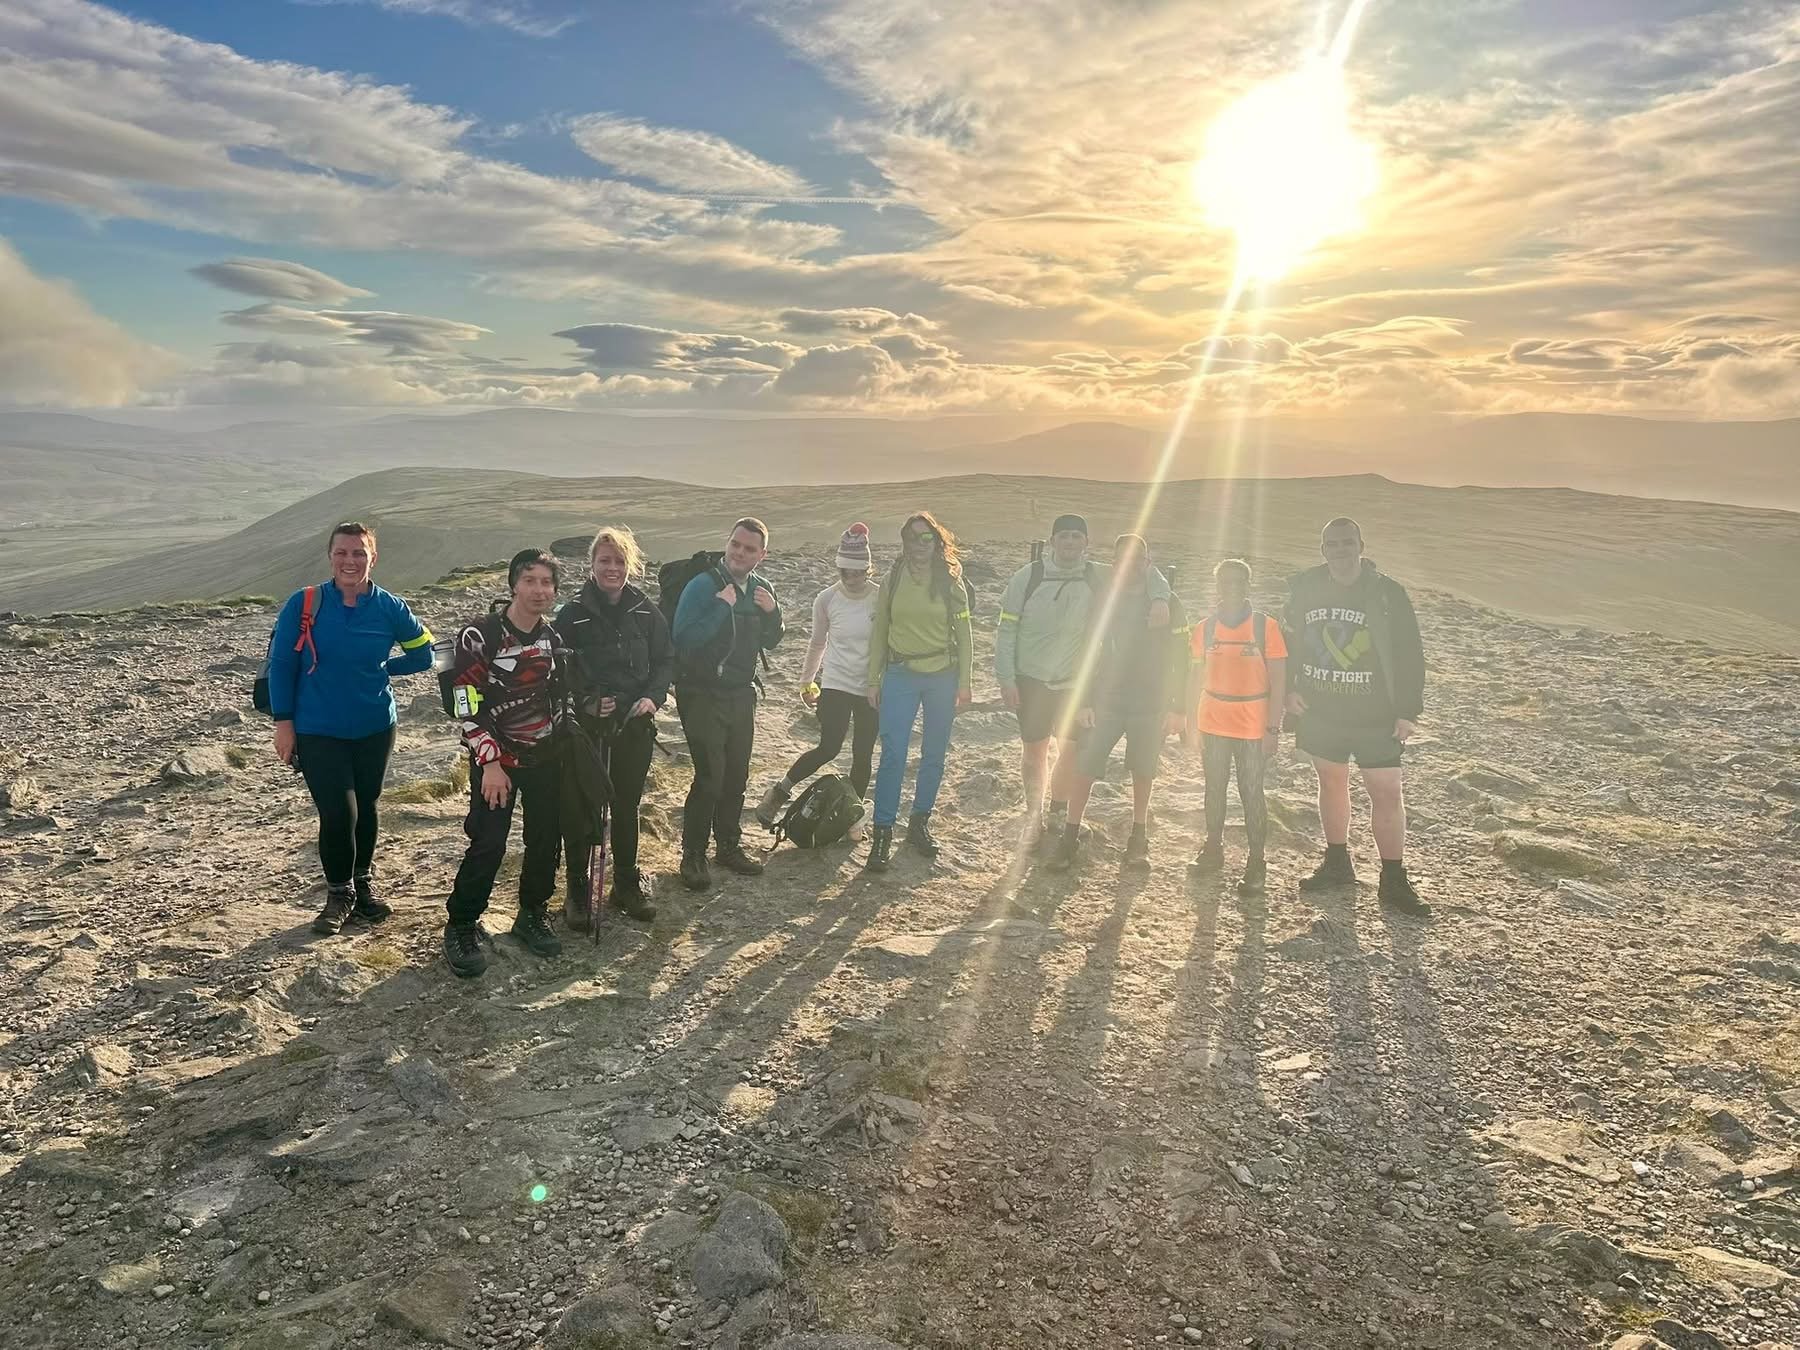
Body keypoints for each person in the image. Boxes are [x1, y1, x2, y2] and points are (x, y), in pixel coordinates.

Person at [267, 521, 433, 936]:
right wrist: (283, 723)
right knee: (339, 811)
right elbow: (282, 665)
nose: (350, 560)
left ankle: (362, 886)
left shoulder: (390, 607)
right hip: (317, 727)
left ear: (373, 558)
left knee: (367, 806)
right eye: (341, 552)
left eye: (359, 553)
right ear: (330, 557)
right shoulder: (305, 603)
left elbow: (424, 653)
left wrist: (385, 669)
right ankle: (339, 895)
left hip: (375, 726)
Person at [994, 513, 1170, 851]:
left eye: (1077, 536)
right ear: (1052, 541)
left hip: (1074, 683)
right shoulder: (1027, 577)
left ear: (1086, 543)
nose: (1070, 542)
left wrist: (1160, 598)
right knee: (1035, 751)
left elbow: (1143, 568)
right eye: (1064, 536)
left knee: (1072, 750)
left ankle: (1058, 813)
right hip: (1031, 679)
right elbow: (1006, 628)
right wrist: (1006, 677)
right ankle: (1033, 817)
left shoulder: (1096, 574)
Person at [1283, 517, 1429, 915]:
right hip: (1321, 711)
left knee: (1387, 791)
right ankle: (1337, 863)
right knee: (1331, 783)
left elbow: (1409, 652)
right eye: (1332, 544)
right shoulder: (1305, 588)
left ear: (1361, 546)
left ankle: (1393, 878)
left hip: (1375, 715)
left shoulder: (1387, 593)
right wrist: (1289, 690)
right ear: (1323, 549)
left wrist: (1408, 711)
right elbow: (1289, 642)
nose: (1340, 550)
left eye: (1347, 542)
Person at [442, 549, 568, 978]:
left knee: (545, 838)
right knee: (489, 840)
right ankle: (461, 924)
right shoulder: (479, 636)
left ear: (555, 590)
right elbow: (464, 702)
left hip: (546, 756)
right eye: (530, 580)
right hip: (496, 760)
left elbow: (556, 695)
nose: (538, 590)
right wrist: (491, 762)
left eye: (546, 582)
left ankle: (532, 913)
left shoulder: (551, 637)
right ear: (513, 585)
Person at [553, 525, 671, 928]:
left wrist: (653, 698)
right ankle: (577, 889)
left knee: (626, 804)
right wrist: (586, 702)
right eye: (605, 560)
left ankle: (625, 883)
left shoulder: (645, 611)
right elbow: (557, 668)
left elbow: (666, 660)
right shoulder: (572, 614)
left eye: (619, 560)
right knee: (582, 805)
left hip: (634, 726)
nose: (612, 568)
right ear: (592, 564)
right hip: (587, 731)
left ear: (630, 564)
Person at [1052, 535, 1188, 872]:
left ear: (1148, 563)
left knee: (1143, 771)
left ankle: (1138, 839)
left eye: (1138, 559)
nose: (1131, 566)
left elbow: (1182, 657)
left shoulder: (1169, 603)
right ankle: (1069, 837)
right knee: (1085, 766)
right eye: (1124, 561)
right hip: (1106, 699)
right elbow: (1088, 650)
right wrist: (1084, 700)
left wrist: (1179, 707)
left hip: (1151, 701)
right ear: (1115, 565)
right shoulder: (1105, 601)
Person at [671, 518, 783, 891]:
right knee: (710, 776)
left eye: (750, 549)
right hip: (701, 693)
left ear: (762, 555)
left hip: (740, 692)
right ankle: (693, 855)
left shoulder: (762, 588)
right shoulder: (703, 586)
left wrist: (773, 614)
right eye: (736, 544)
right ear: (728, 543)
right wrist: (721, 607)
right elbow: (683, 638)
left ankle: (728, 847)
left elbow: (771, 640)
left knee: (736, 774)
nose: (740, 553)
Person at [863, 512, 974, 871]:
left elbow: (965, 636)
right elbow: (880, 630)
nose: (920, 544)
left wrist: (965, 683)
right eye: (913, 537)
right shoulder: (893, 578)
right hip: (900, 674)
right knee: (893, 754)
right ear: (904, 541)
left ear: (937, 541)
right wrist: (873, 679)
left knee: (934, 753)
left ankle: (918, 823)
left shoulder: (950, 581)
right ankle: (882, 833)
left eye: (927, 538)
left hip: (943, 676)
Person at [756, 523, 880, 838]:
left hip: (871, 686)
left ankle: (852, 818)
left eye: (858, 572)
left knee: (863, 752)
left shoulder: (881, 598)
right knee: (829, 747)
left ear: (867, 568)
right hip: (836, 683)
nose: (851, 578)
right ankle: (779, 792)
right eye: (845, 572)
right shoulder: (826, 599)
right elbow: (817, 643)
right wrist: (806, 682)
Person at [1189, 558, 1287, 894]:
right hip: (1212, 721)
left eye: (1238, 582)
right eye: (1225, 582)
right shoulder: (1205, 628)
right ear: (1217, 586)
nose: (1231, 587)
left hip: (1253, 726)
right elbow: (1194, 678)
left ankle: (1256, 862)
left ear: (1248, 586)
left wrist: (1273, 729)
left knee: (1251, 792)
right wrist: (1191, 724)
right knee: (1213, 788)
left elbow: (1279, 681)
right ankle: (1212, 849)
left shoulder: (1265, 627)